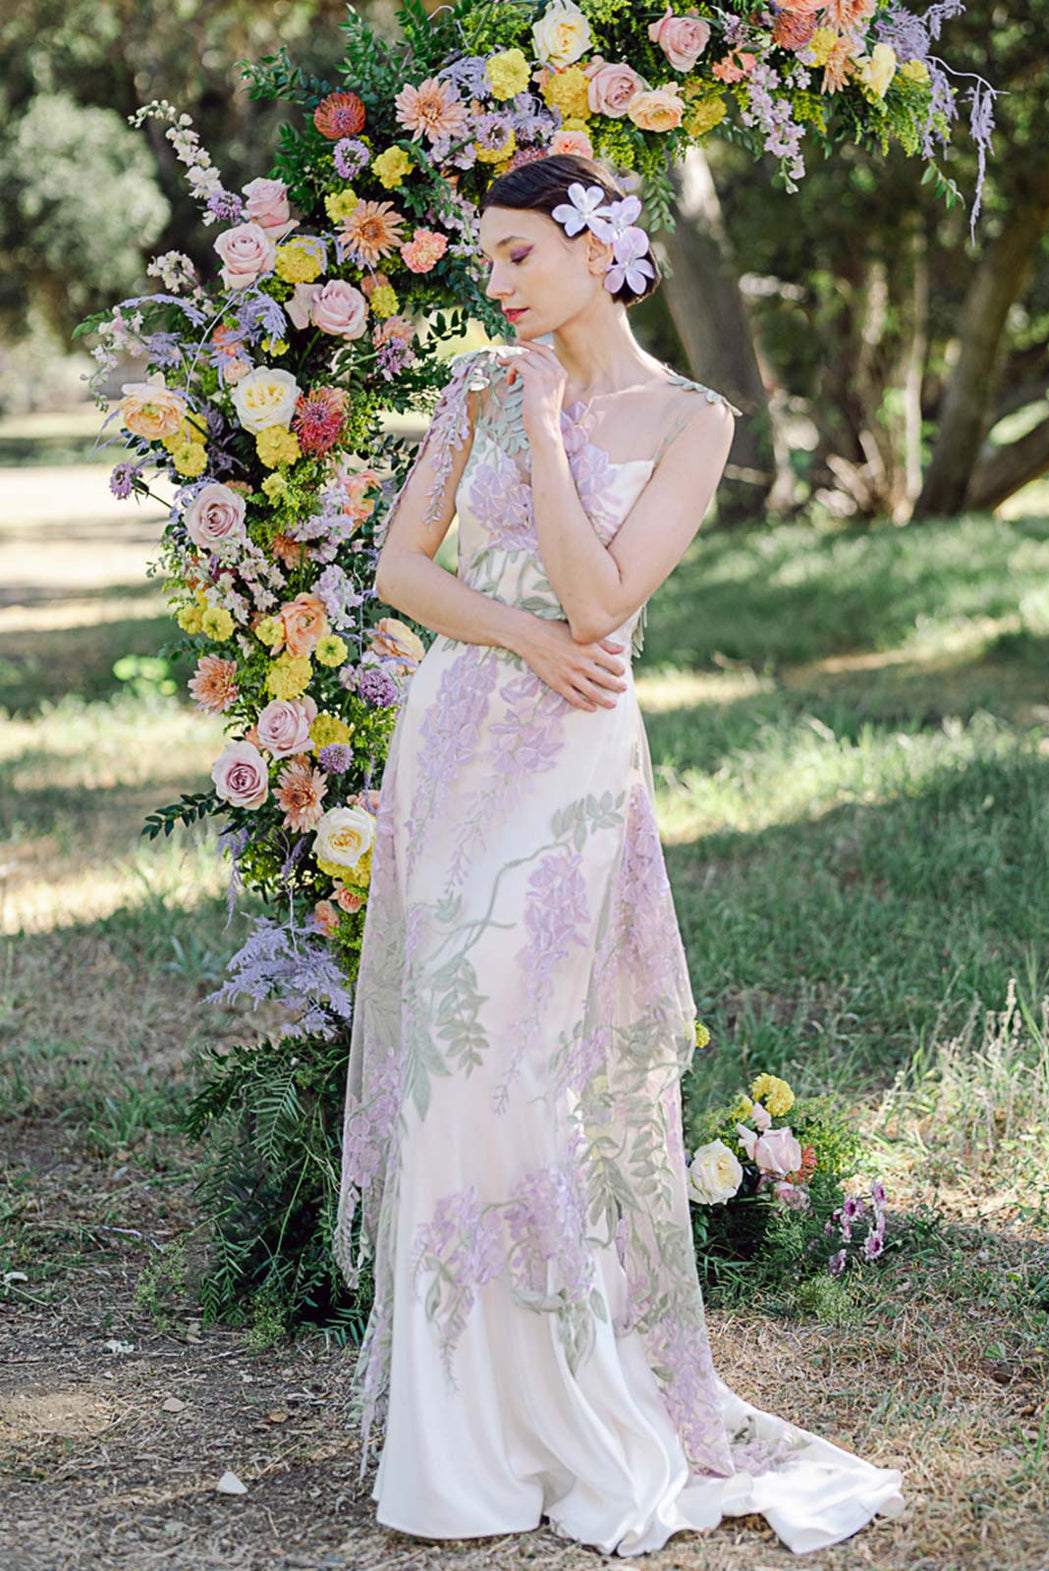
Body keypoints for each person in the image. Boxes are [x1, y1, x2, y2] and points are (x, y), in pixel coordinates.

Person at [333, 152, 904, 1557]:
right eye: (490, 255)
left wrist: (543, 436)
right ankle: (460, 1432)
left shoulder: (690, 420)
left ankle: (567, 1404)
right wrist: (513, 631)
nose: (498, 278)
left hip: (573, 775)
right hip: (460, 745)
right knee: (454, 1067)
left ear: (599, 251)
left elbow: (603, 602)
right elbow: (400, 572)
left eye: (521, 252)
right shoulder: (472, 388)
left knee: (531, 1065)